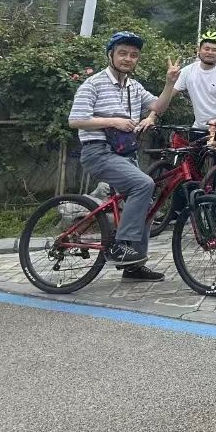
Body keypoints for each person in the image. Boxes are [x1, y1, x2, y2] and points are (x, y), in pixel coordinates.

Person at [67, 32, 181, 279]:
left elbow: (157, 107)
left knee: (146, 204)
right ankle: (121, 246)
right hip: (98, 151)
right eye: (122, 53)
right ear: (111, 55)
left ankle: (133, 265)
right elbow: (75, 120)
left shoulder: (133, 86)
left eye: (133, 55)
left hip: (124, 153)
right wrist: (114, 121)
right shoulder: (93, 84)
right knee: (144, 184)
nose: (128, 59)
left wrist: (169, 83)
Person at [174, 30, 216, 132]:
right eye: (206, 49)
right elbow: (168, 94)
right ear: (199, 50)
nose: (209, 52)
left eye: (214, 50)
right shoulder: (187, 71)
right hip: (198, 127)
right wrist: (152, 116)